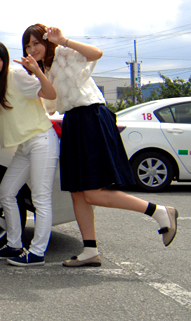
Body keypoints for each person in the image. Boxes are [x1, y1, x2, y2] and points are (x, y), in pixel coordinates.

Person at [22, 24, 178, 267]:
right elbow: (50, 101)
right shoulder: (43, 69)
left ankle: (158, 211)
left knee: (92, 192)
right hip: (73, 121)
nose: (32, 49)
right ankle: (90, 250)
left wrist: (63, 40)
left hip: (91, 117)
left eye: (36, 43)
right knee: (77, 192)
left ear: (46, 42)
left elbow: (96, 53)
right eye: (28, 46)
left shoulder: (64, 53)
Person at [0, 41, 59, 266]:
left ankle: (37, 252)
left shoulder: (16, 76)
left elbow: (50, 93)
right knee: (6, 192)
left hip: (41, 139)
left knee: (41, 198)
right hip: (24, 147)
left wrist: (36, 71)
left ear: (4, 61)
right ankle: (14, 245)